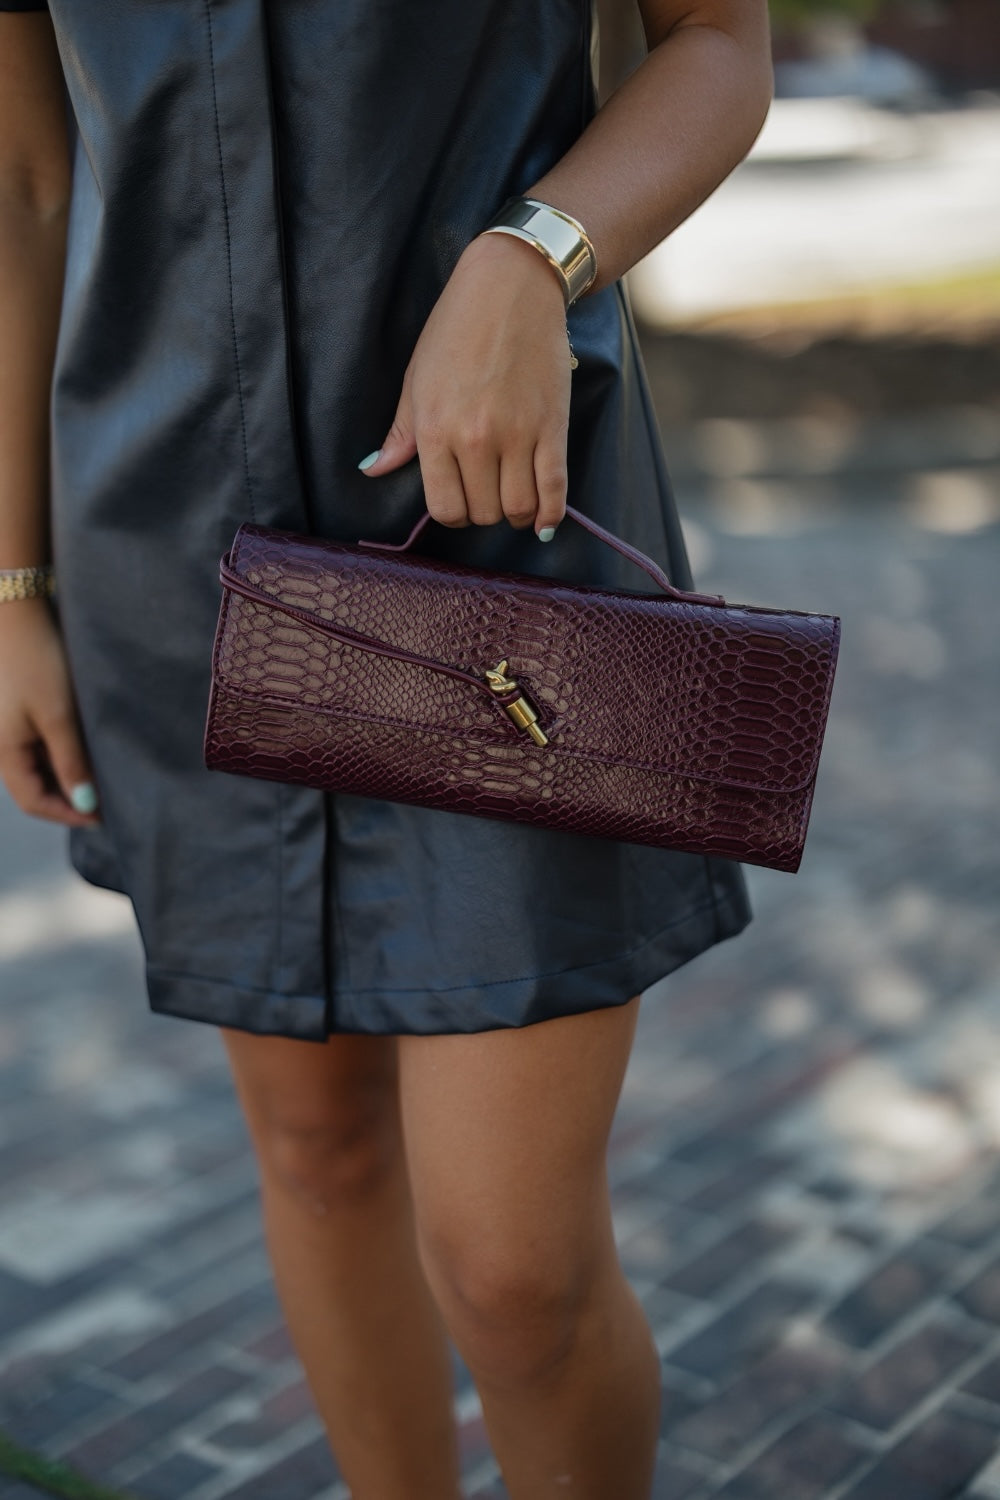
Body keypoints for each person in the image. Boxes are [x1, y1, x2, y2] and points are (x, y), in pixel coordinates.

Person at [0, 3, 772, 1495]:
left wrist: (533, 255)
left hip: (506, 525)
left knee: (514, 1271)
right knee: (320, 1156)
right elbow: (27, 184)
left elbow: (720, 47)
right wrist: (11, 585)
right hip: (177, 548)